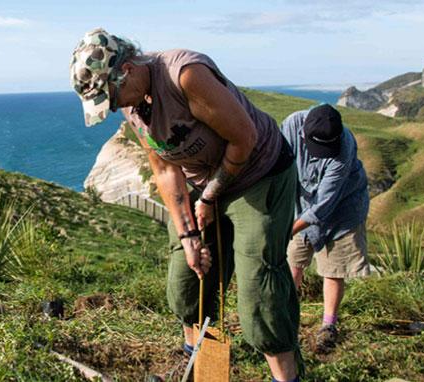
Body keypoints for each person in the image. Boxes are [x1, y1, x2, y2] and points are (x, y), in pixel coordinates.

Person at [70, 28, 301, 381]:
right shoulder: (132, 104)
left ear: (127, 69)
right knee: (186, 280)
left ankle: (286, 376)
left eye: (112, 96)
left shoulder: (185, 75)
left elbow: (244, 139)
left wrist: (210, 196)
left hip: (258, 172)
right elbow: (164, 169)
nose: (114, 105)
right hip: (202, 179)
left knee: (259, 286)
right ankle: (199, 367)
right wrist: (189, 234)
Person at [280, 104, 370, 353]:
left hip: (342, 209)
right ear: (305, 133)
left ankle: (328, 325)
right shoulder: (291, 125)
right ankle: (285, 316)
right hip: (301, 205)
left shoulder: (344, 149)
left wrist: (288, 229)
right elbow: (280, 163)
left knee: (333, 268)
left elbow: (323, 205)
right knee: (293, 261)